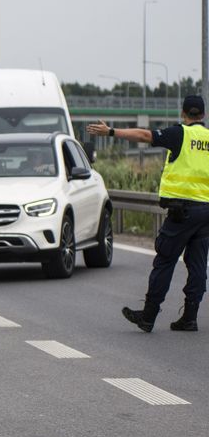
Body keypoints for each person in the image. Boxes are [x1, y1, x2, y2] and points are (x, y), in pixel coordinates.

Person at [87, 95, 209, 331]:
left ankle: (149, 315)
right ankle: (190, 317)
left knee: (165, 260)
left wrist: (111, 132)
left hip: (182, 211)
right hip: (206, 212)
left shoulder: (180, 133)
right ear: (203, 115)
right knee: (197, 265)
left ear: (183, 113)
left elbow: (144, 135)